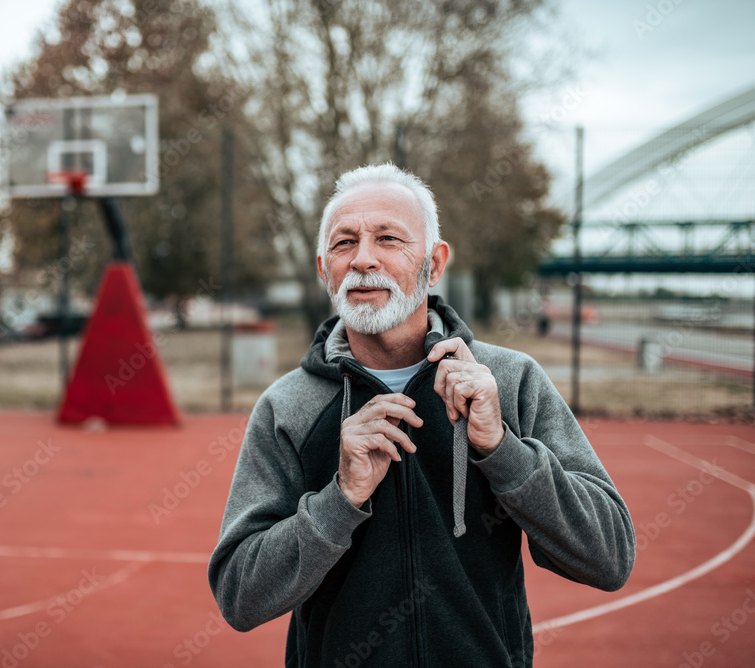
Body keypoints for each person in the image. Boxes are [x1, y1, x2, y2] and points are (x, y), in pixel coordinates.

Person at [207, 163, 635, 667]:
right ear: (325, 269)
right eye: (345, 243)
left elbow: (608, 558)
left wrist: (503, 450)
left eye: (388, 239)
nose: (364, 259)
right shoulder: (288, 407)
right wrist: (339, 500)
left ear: (434, 263)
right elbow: (240, 596)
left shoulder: (510, 381)